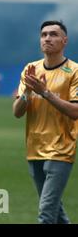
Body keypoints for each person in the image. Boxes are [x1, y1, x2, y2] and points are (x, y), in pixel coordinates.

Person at [12, 20, 78, 224]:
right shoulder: (30, 69)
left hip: (61, 149)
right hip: (34, 148)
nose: (47, 38)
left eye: (53, 34)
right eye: (44, 35)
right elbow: (17, 112)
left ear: (64, 40)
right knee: (56, 214)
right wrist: (28, 93)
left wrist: (46, 93)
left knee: (46, 214)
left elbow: (75, 111)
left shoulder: (74, 71)